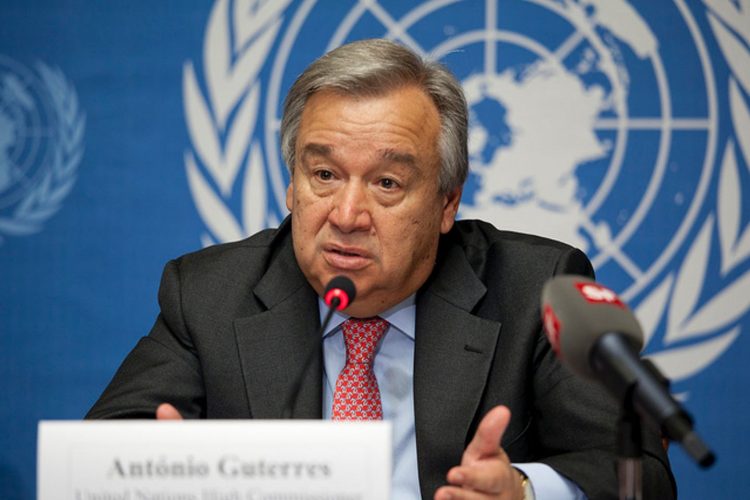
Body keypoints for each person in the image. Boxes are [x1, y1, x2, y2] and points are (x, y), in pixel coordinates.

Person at [87, 39, 674, 499]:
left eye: (387, 183)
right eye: (323, 175)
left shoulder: (534, 290)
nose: (346, 215)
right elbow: (102, 455)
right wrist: (160, 473)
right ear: (291, 186)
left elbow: (637, 475)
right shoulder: (211, 294)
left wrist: (521, 491)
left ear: (447, 202)